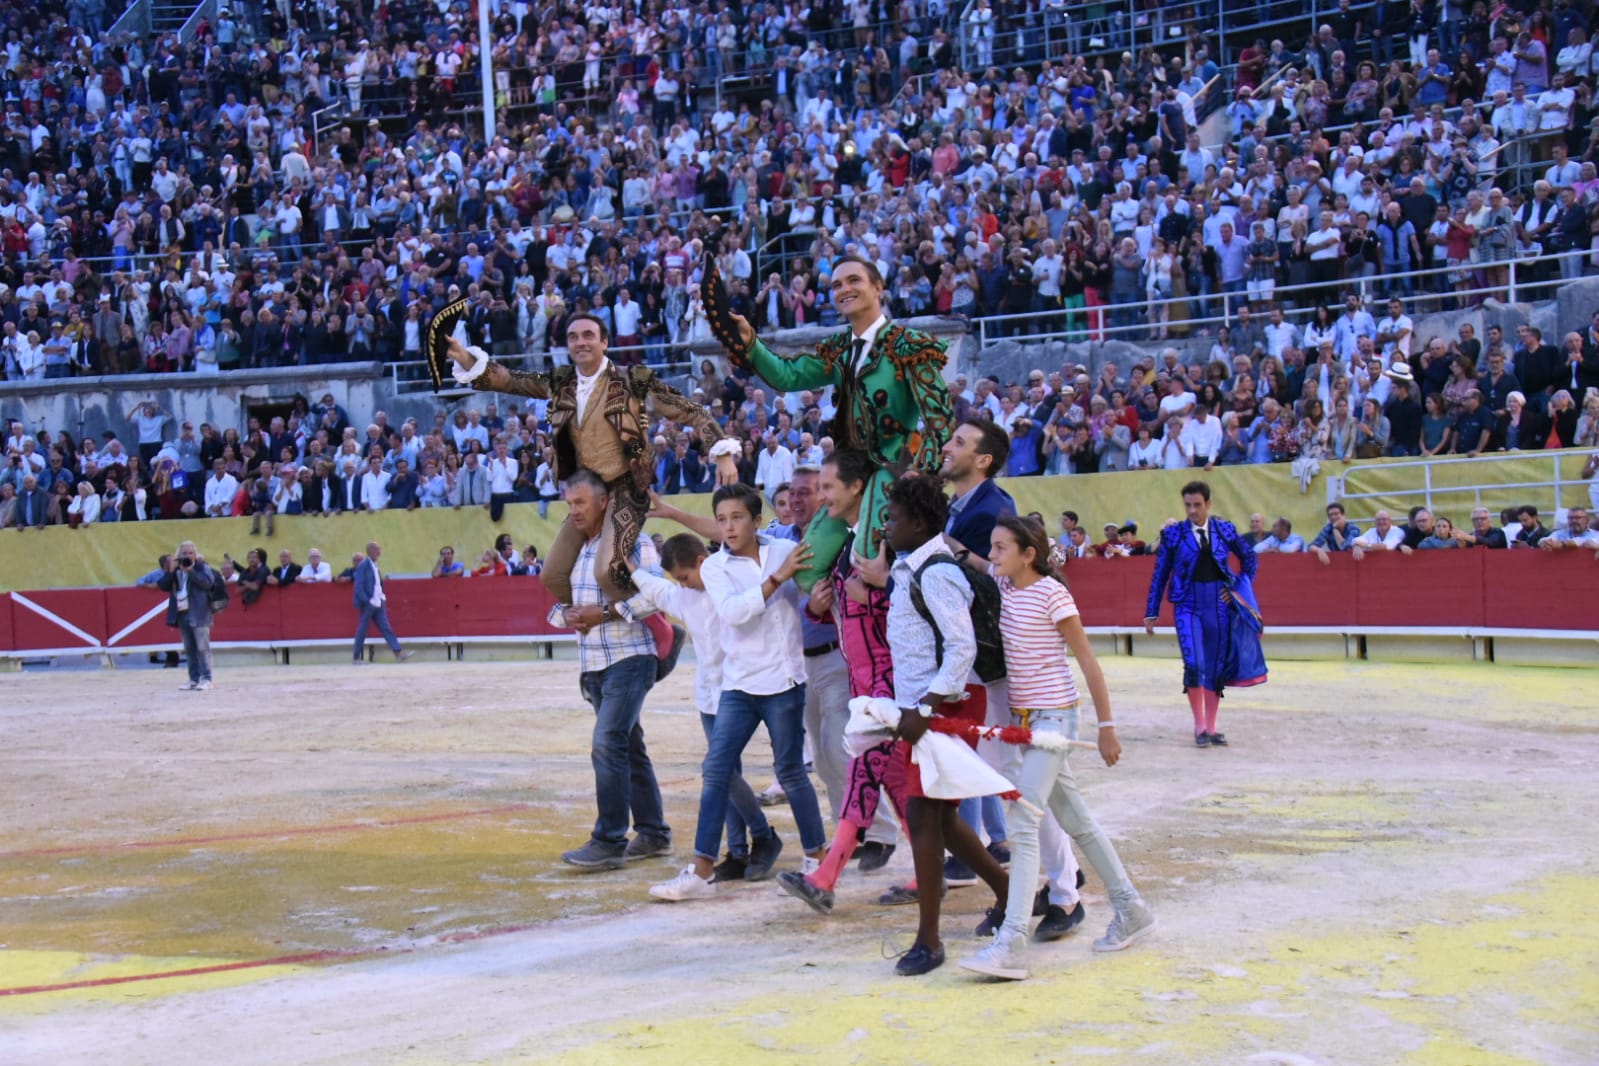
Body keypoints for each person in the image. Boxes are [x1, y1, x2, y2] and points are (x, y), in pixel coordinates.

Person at [960, 515, 1156, 980]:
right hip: (1031, 723)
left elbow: (1087, 660)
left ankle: (1011, 943)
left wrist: (1107, 726)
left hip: (1054, 719)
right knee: (1076, 821)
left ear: (1028, 554)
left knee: (1024, 821)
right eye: (992, 546)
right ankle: (1131, 908)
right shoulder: (1006, 585)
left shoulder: (1052, 593)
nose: (992, 555)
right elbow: (970, 558)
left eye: (1001, 547)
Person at [447, 317, 734, 608]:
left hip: (626, 490)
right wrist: (466, 359)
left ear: (604, 342)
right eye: (573, 337)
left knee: (606, 571)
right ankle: (602, 619)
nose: (580, 342)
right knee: (552, 575)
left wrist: (721, 452)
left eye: (588, 335)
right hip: (586, 495)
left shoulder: (634, 380)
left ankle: (659, 628)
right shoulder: (561, 382)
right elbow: (511, 380)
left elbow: (692, 411)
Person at [710, 255, 954, 591]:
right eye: (837, 284)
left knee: (870, 558)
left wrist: (920, 476)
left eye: (854, 280)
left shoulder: (907, 345)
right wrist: (751, 342)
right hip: (848, 472)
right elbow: (786, 375)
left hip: (891, 469)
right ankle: (849, 624)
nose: (844, 289)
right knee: (808, 573)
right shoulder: (840, 350)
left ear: (878, 288)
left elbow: (940, 418)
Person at [649, 483, 825, 901]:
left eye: (737, 518)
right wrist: (778, 579)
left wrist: (816, 599)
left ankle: (817, 858)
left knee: (791, 772)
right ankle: (703, 868)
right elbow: (734, 613)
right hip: (739, 683)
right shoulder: (714, 568)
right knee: (716, 769)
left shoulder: (783, 551)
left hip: (783, 681)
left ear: (756, 521)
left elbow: (811, 587)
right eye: (722, 519)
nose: (728, 527)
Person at [878, 472, 1010, 976]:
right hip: (926, 705)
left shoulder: (934, 572)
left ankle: (930, 940)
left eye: (892, 518)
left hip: (943, 705)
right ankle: (1006, 892)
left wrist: (927, 708)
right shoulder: (914, 566)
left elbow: (962, 648)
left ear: (918, 521)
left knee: (923, 815)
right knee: (942, 818)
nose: (886, 527)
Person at [628, 532, 776, 882]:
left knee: (720, 770)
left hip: (739, 688)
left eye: (684, 577)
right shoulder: (684, 593)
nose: (684, 585)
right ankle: (739, 851)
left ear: (701, 562)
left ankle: (764, 836)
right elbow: (656, 589)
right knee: (725, 774)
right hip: (710, 693)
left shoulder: (727, 582)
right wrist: (632, 568)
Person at [549, 469, 674, 871]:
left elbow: (655, 596)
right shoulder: (575, 552)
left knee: (607, 743)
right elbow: (559, 608)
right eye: (569, 505)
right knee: (627, 746)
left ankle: (609, 839)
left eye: (581, 503)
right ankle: (653, 832)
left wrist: (603, 613)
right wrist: (566, 614)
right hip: (593, 665)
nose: (574, 512)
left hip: (630, 658)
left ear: (604, 502)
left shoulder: (632, 542)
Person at [1144, 481, 1267, 747]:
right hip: (1187, 605)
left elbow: (1250, 559)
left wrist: (1237, 588)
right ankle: (1199, 726)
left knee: (1214, 667)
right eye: (1187, 505)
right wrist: (1151, 611)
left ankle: (1211, 727)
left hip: (1219, 604)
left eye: (1197, 505)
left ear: (1208, 504)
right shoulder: (1173, 535)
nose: (1192, 510)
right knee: (1194, 664)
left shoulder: (1225, 530)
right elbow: (1160, 574)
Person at [157, 539, 218, 692]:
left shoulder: (201, 566)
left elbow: (208, 584)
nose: (188, 556)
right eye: (184, 553)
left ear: (195, 554)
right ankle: (193, 679)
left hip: (199, 611)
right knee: (189, 648)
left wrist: (191, 571)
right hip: (182, 611)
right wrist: (171, 571)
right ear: (179, 554)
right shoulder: (177, 570)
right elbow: (162, 585)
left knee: (202, 647)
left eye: (191, 553)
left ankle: (207, 679)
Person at [351, 541, 415, 664]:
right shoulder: (364, 565)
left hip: (378, 602)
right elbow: (358, 586)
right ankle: (356, 657)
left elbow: (377, 584)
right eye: (376, 549)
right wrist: (367, 601)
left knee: (386, 628)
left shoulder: (374, 564)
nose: (379, 552)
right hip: (369, 603)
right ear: (369, 551)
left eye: (379, 549)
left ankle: (398, 653)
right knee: (362, 630)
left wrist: (381, 597)